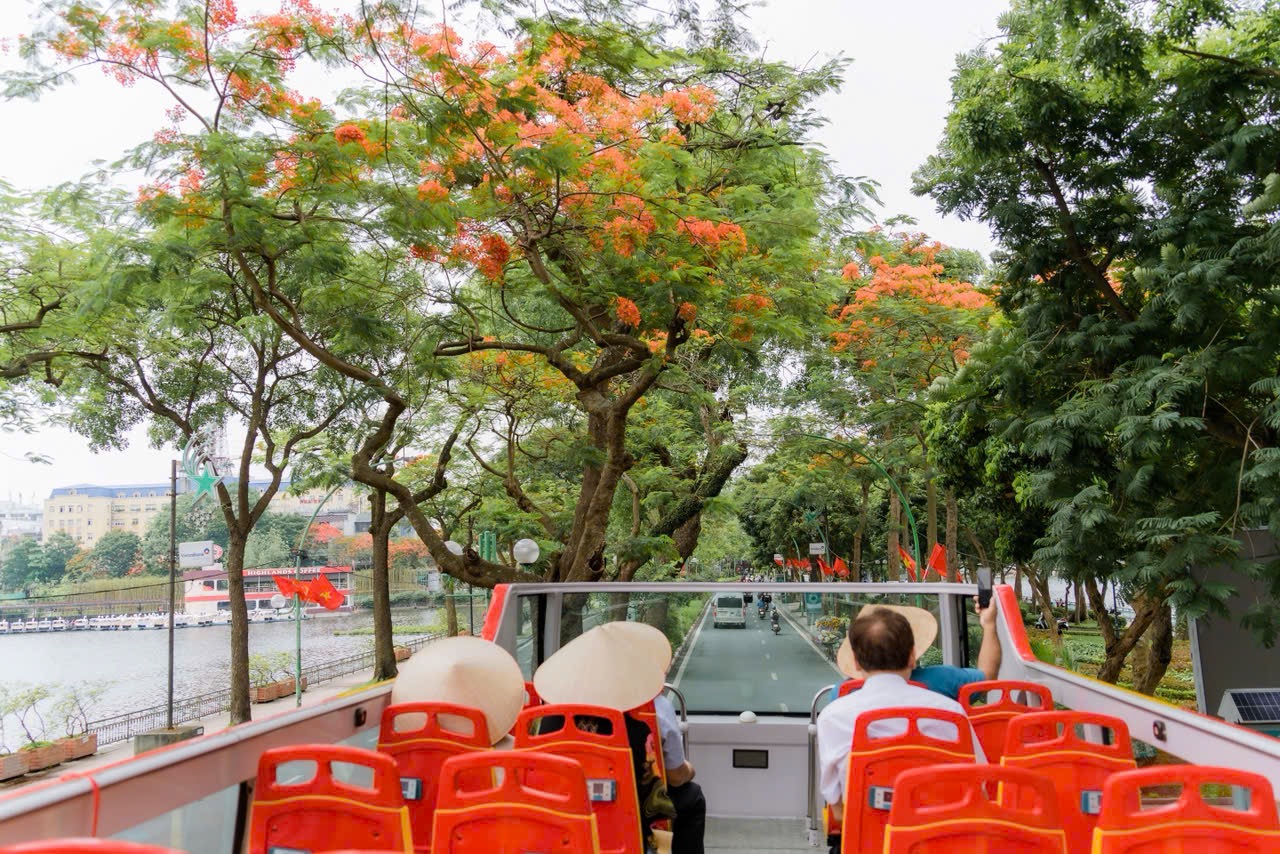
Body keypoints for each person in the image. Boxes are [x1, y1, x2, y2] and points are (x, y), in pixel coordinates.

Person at [816, 608, 985, 852]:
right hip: (940, 842)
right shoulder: (952, 714)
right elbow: (978, 786)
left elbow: (837, 806)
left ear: (855, 662)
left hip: (866, 844)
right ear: (912, 657)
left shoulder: (834, 717)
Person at [534, 621, 705, 854]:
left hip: (562, 814)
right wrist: (689, 770)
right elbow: (675, 778)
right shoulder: (648, 715)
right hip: (631, 817)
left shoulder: (547, 721)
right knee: (692, 797)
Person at [831, 599, 1000, 701]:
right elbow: (988, 676)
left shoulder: (841, 695)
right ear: (912, 656)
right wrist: (989, 623)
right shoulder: (944, 680)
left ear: (856, 662)